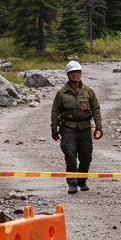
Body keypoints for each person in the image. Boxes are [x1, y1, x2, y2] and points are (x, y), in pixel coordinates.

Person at [51, 60, 103, 195]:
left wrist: (99, 127)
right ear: (68, 75)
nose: (76, 75)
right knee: (70, 155)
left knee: (86, 157)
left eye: (78, 72)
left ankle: (82, 180)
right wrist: (54, 128)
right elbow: (55, 111)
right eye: (73, 73)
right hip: (68, 128)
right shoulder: (61, 93)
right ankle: (72, 183)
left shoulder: (88, 91)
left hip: (85, 127)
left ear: (81, 74)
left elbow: (96, 109)